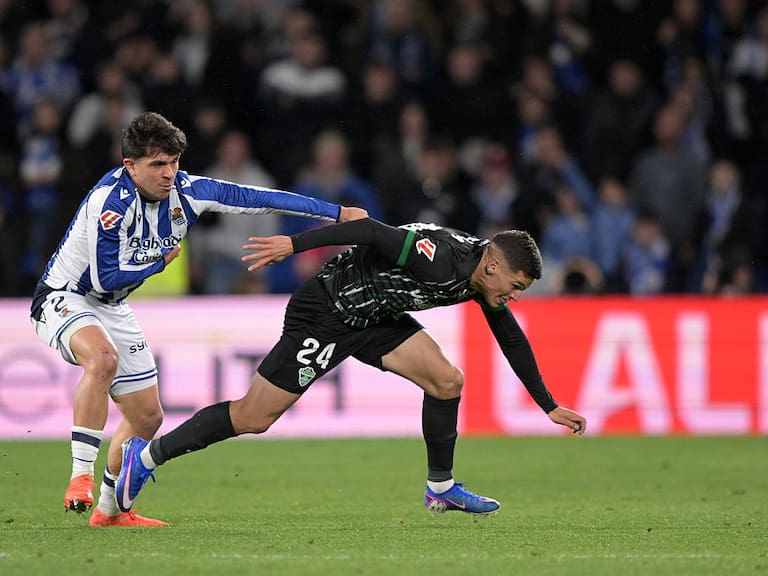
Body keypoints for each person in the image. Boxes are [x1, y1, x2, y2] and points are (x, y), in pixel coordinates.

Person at [116, 217, 587, 519]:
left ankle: (440, 487)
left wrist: (547, 405)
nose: (515, 296)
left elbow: (509, 336)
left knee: (447, 382)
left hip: (375, 318)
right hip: (326, 311)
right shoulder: (439, 257)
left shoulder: (482, 279)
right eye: (516, 284)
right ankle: (148, 456)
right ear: (492, 266)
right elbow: (367, 230)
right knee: (253, 418)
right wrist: (293, 245)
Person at [29, 112, 367, 528]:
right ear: (129, 166)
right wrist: (159, 263)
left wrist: (335, 212)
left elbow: (256, 197)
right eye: (157, 165)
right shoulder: (109, 203)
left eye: (173, 162)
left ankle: (110, 510)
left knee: (147, 418)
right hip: (67, 296)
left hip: (112, 307)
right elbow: (105, 276)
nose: (169, 173)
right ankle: (79, 477)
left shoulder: (188, 191)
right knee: (102, 359)